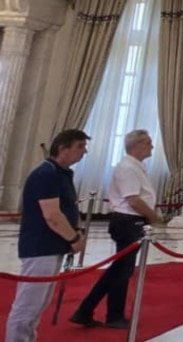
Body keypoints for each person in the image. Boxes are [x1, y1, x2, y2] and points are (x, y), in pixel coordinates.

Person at [71, 130, 162, 329]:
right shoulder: (128, 168)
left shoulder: (137, 167)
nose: (151, 147)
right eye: (148, 143)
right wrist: (153, 216)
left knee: (120, 270)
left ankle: (97, 311)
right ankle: (103, 312)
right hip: (128, 221)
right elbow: (133, 199)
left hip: (132, 221)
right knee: (121, 271)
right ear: (137, 145)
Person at [6, 129, 90, 341]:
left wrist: (76, 231)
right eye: (80, 146)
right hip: (41, 247)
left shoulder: (61, 173)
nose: (84, 151)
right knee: (28, 305)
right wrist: (74, 239)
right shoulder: (46, 174)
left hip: (52, 246)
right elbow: (52, 215)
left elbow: (67, 207)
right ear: (63, 148)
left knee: (39, 304)